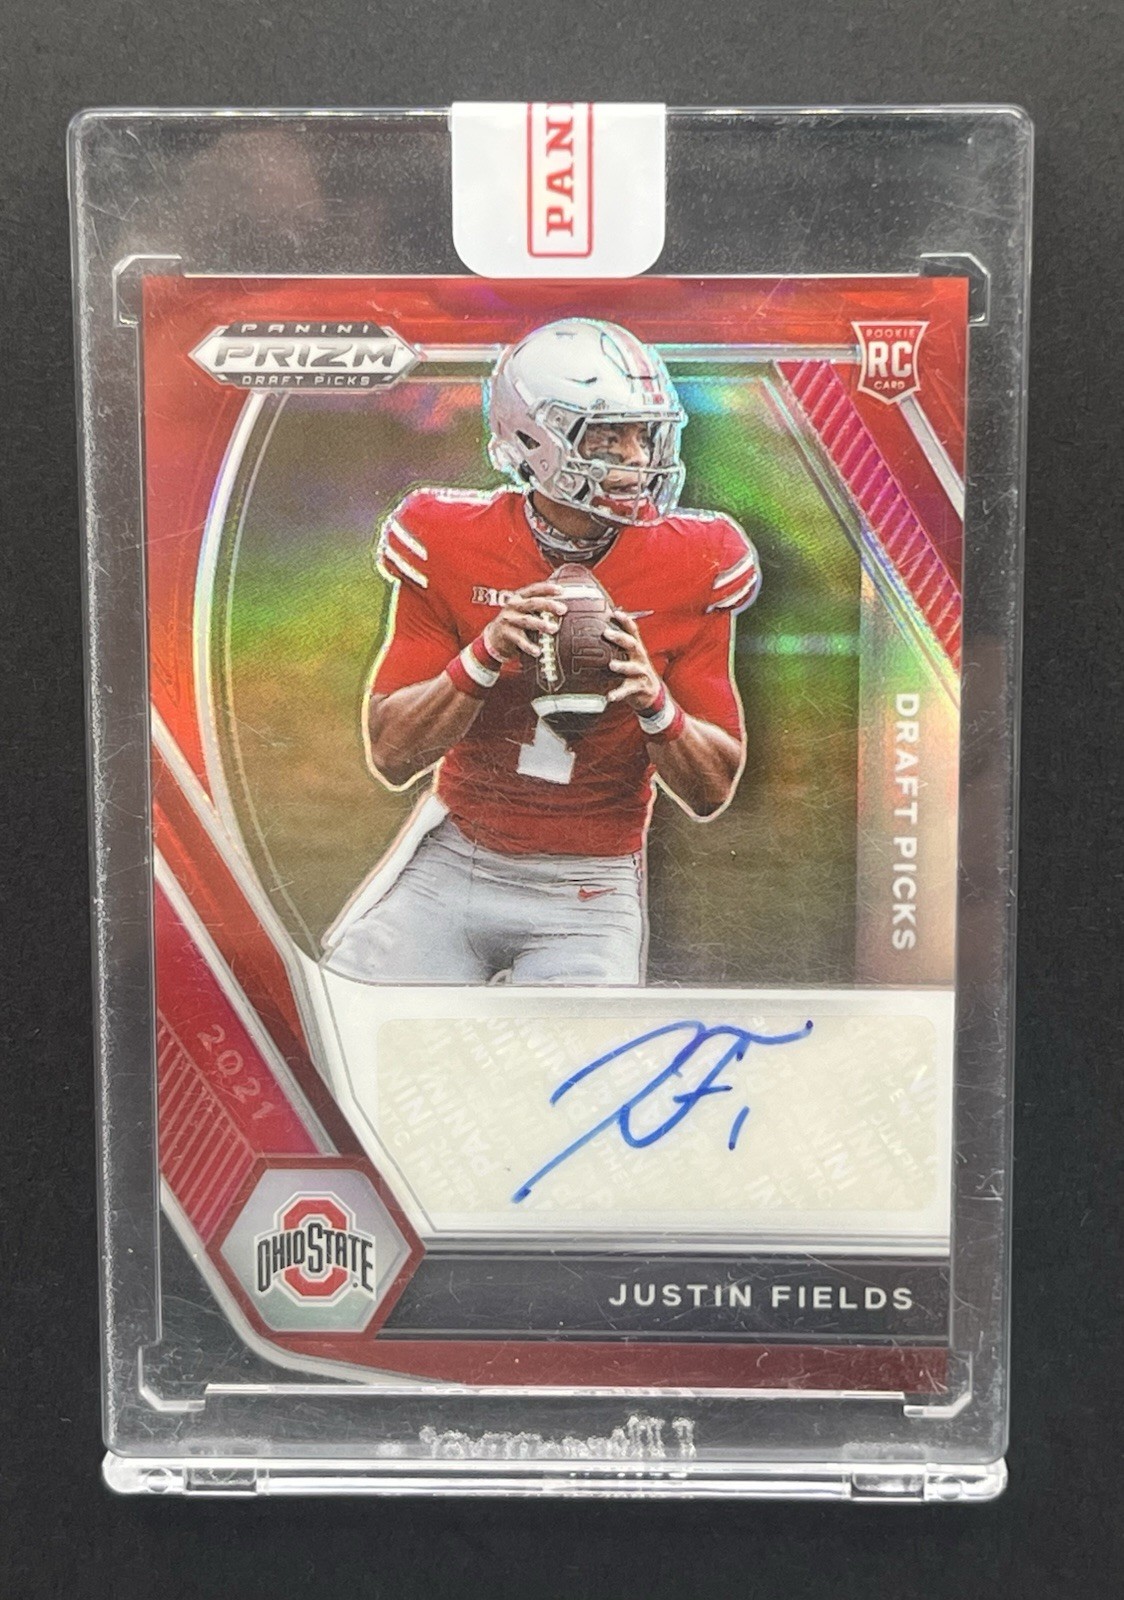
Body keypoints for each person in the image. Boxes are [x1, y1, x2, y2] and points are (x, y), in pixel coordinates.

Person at [322, 317, 760, 986]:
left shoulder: (700, 558)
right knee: (349, 1012)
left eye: (644, 433)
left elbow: (712, 789)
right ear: (534, 438)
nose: (636, 457)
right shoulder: (447, 536)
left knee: (575, 1052)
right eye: (607, 435)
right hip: (458, 863)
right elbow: (391, 753)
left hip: (589, 892)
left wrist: (655, 704)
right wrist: (484, 654)